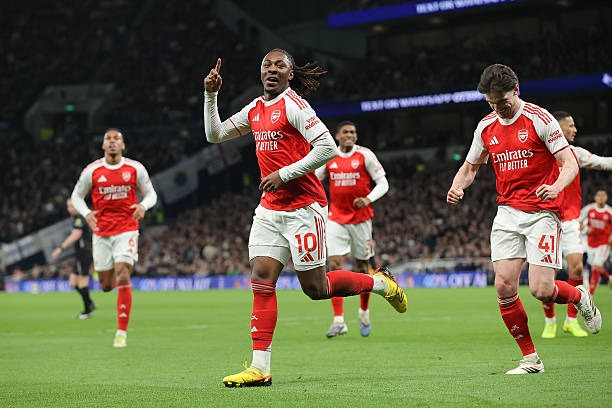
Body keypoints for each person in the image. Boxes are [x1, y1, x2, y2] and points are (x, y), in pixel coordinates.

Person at [203, 49, 407, 387]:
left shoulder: (295, 105)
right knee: (261, 278)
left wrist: (283, 174)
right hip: (270, 209)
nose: (272, 69)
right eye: (266, 65)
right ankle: (260, 367)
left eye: (280, 65)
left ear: (290, 74)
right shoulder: (255, 109)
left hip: (304, 207)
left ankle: (380, 283)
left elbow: (326, 147)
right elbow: (215, 135)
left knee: (316, 288)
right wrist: (211, 96)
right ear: (260, 72)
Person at [446, 64, 601, 375]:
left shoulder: (539, 119)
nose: (497, 108)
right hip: (507, 212)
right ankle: (531, 359)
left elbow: (569, 162)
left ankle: (579, 295)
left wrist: (556, 187)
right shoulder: (486, 126)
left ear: (516, 91)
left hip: (543, 212)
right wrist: (457, 185)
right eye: (491, 103)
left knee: (542, 289)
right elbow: (470, 166)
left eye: (502, 101)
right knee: (504, 285)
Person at [71, 128, 157, 347]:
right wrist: (87, 213)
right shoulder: (92, 171)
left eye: (116, 139)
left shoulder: (135, 168)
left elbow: (151, 194)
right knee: (106, 285)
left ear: (123, 145)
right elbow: (76, 197)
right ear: (103, 145)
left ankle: (121, 333)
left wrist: (143, 206)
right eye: (108, 139)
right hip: (101, 232)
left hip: (127, 229)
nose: (112, 142)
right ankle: (114, 282)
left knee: (123, 274)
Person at [540, 111, 612, 339]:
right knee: (546, 276)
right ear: (558, 128)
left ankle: (571, 320)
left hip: (570, 221)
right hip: (545, 220)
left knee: (578, 269)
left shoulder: (575, 153)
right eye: (570, 126)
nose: (575, 129)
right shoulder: (540, 154)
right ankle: (550, 321)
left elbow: (603, 162)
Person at [315, 120, 389, 338]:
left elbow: (383, 183)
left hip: (361, 219)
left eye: (353, 132)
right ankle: (339, 321)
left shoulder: (365, 155)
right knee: (334, 265)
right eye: (345, 132)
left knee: (362, 267)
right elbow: (314, 180)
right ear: (337, 136)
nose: (350, 135)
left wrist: (368, 199)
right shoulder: (329, 156)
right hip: (336, 218)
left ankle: (364, 313)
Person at [51, 198, 96, 319]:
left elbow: (76, 235)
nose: (69, 209)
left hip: (84, 253)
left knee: (82, 281)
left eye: (72, 206)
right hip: (80, 254)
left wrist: (60, 248)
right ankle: (89, 302)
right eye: (68, 206)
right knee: (73, 281)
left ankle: (87, 311)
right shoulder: (78, 218)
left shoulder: (80, 218)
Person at [580, 189, 612, 294]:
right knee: (596, 267)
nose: (601, 198)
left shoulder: (609, 211)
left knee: (595, 267)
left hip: (604, 244)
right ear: (595, 198)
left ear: (606, 198)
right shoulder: (589, 209)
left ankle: (590, 294)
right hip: (590, 243)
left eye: (603, 196)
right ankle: (609, 278)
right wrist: (586, 228)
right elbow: (578, 221)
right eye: (599, 195)